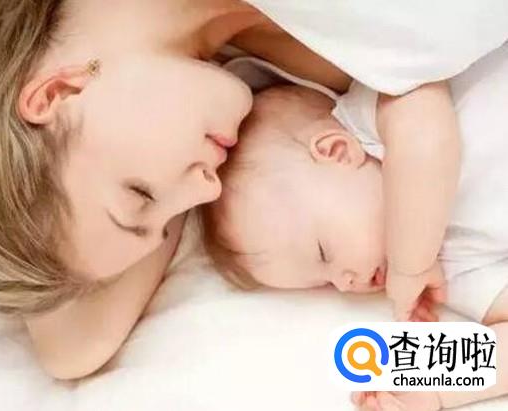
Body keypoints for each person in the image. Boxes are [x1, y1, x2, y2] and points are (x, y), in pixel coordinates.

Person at [0, 0, 507, 380]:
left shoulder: (373, 123)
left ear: (57, 93)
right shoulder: (284, 103)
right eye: (165, 228)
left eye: (141, 194)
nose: (204, 191)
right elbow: (73, 348)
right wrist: (434, 385)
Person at [202, 45, 508, 409]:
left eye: (323, 253)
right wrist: (429, 384)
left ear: (337, 151)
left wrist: (412, 262)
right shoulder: (448, 272)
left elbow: (428, 139)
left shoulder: (379, 120)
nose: (344, 283)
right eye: (325, 282)